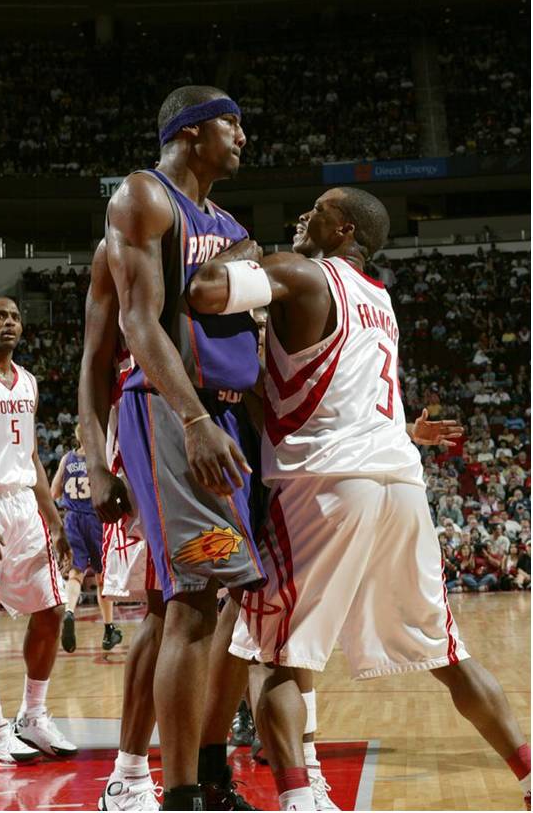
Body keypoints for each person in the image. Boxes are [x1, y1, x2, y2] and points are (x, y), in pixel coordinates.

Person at [188, 187, 531, 811]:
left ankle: (301, 798)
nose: (303, 215)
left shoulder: (301, 273)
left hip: (323, 483)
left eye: (317, 210)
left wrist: (240, 245)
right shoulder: (381, 299)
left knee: (274, 652)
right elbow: (344, 389)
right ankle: (529, 772)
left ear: (343, 228)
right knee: (448, 653)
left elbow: (204, 289)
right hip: (398, 480)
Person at [80, 86, 269, 812]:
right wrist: (102, 456)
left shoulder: (230, 225)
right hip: (170, 413)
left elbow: (248, 338)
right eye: (232, 123)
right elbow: (125, 334)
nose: (242, 136)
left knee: (210, 605)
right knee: (191, 600)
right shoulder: (142, 197)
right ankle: (182, 793)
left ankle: (193, 774)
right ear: (191, 131)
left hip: (226, 418)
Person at [0, 298, 77, 763]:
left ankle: (32, 716)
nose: (8, 323)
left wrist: (55, 519)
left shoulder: (29, 382)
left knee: (52, 608)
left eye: (15, 317)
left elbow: (32, 456)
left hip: (23, 505)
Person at [50, 423, 122, 653]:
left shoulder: (67, 459)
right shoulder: (99, 460)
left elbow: (53, 492)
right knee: (102, 577)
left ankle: (70, 611)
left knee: (75, 574)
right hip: (95, 519)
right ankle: (109, 630)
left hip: (72, 519)